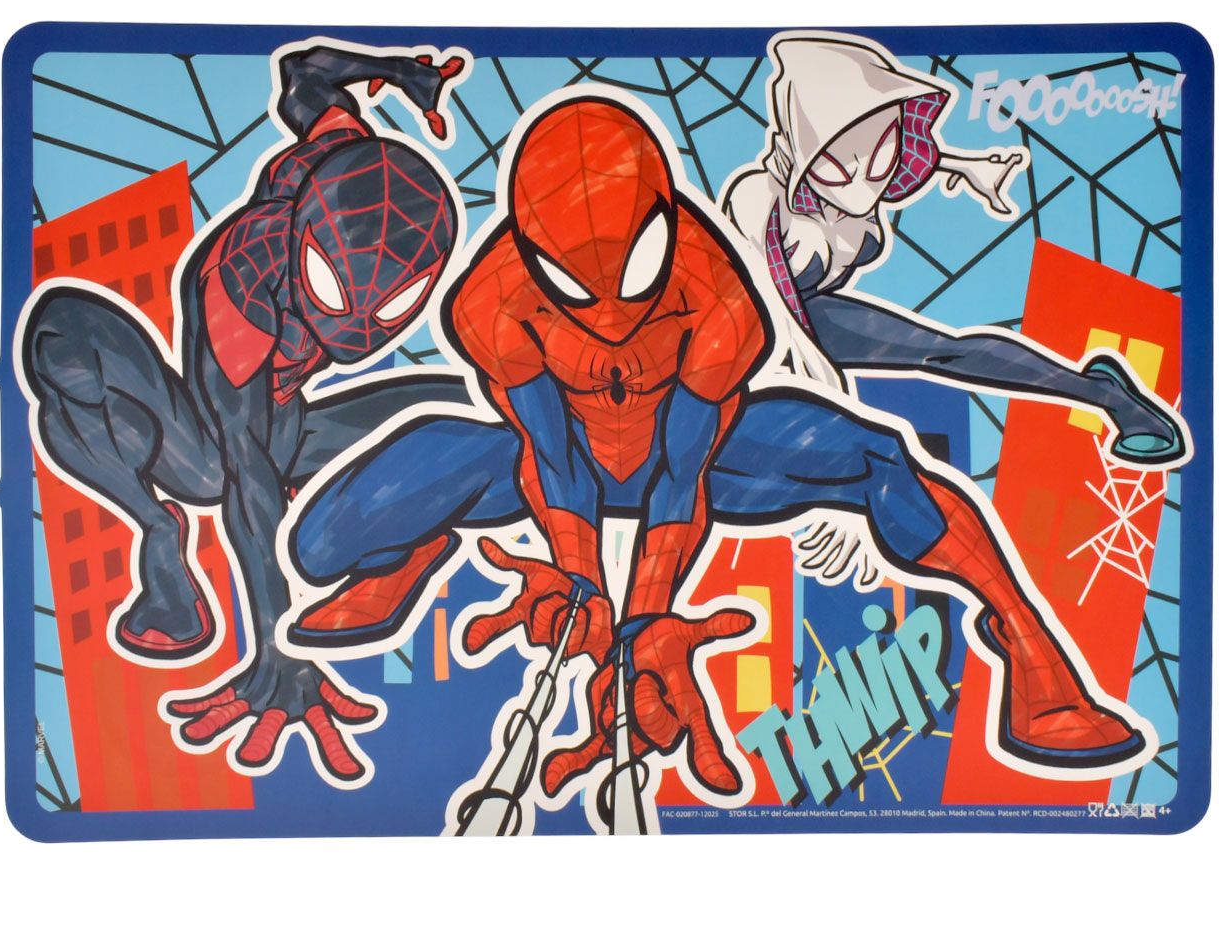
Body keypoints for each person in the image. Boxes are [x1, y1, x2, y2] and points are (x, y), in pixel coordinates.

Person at [287, 95, 1149, 802]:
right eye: (574, 284)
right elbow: (548, 458)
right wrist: (581, 582)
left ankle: (1039, 667)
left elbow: (683, 470)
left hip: (707, 456)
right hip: (555, 459)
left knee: (882, 459)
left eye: (634, 271)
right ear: (530, 249)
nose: (610, 314)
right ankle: (408, 555)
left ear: (665, 218)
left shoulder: (717, 294)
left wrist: (646, 621)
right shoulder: (489, 300)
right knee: (319, 545)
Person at [19, 41, 470, 781]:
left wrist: (398, 73)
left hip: (294, 423)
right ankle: (159, 532)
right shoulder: (240, 286)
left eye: (394, 308)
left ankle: (402, 541)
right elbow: (247, 483)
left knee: (471, 403)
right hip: (200, 438)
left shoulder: (342, 151)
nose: (360, 331)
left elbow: (304, 73)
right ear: (303, 241)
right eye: (332, 290)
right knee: (60, 332)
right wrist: (281, 653)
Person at [722, 31, 1188, 466]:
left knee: (948, 350)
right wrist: (813, 386)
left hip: (813, 322)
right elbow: (755, 297)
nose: (865, 179)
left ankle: (1106, 393)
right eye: (836, 166)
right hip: (751, 337)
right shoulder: (757, 200)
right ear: (798, 153)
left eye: (884, 155)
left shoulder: (858, 173)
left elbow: (897, 155)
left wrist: (968, 166)